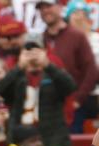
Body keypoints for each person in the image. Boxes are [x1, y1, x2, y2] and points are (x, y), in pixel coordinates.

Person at [0, 41, 75, 146]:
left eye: (36, 51)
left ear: (44, 52)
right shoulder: (17, 75)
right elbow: (1, 90)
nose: (32, 56)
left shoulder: (52, 73)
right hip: (21, 144)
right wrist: (19, 67)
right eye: (28, 51)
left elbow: (70, 87)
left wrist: (47, 65)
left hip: (53, 143)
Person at [39, 0, 98, 132]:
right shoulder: (41, 38)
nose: (45, 11)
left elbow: (91, 71)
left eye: (48, 6)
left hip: (73, 106)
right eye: (41, 8)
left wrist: (78, 99)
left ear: (60, 8)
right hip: (48, 107)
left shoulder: (76, 36)